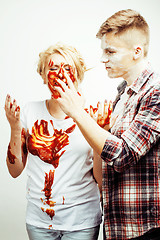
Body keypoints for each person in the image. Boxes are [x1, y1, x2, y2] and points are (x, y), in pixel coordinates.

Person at [52, 9, 160, 240]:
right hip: (117, 227)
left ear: (137, 52)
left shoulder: (156, 93)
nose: (102, 58)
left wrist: (78, 113)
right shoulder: (122, 95)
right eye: (103, 50)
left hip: (145, 229)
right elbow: (106, 168)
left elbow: (123, 156)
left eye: (110, 51)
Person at [4, 43, 102, 240]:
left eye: (67, 68)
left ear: (78, 75)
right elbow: (14, 171)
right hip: (38, 221)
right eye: (53, 68)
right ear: (42, 74)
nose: (60, 74)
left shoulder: (93, 114)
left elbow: (101, 179)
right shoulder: (29, 111)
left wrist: (101, 135)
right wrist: (15, 127)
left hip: (81, 221)